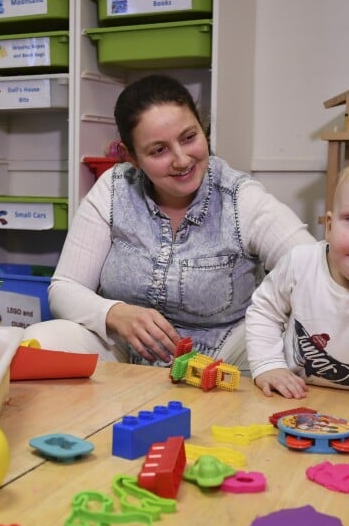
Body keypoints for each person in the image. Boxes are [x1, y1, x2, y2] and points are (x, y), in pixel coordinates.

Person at [24, 74, 316, 370]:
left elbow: (312, 270)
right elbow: (64, 288)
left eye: (189, 138)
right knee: (41, 340)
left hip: (226, 357)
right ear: (132, 158)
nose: (181, 160)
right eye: (158, 150)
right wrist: (114, 313)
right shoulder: (113, 189)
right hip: (126, 356)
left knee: (299, 346)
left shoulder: (240, 197)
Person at [246, 156, 349, 398]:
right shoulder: (301, 263)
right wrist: (268, 365)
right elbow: (264, 311)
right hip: (296, 396)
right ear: (329, 225)